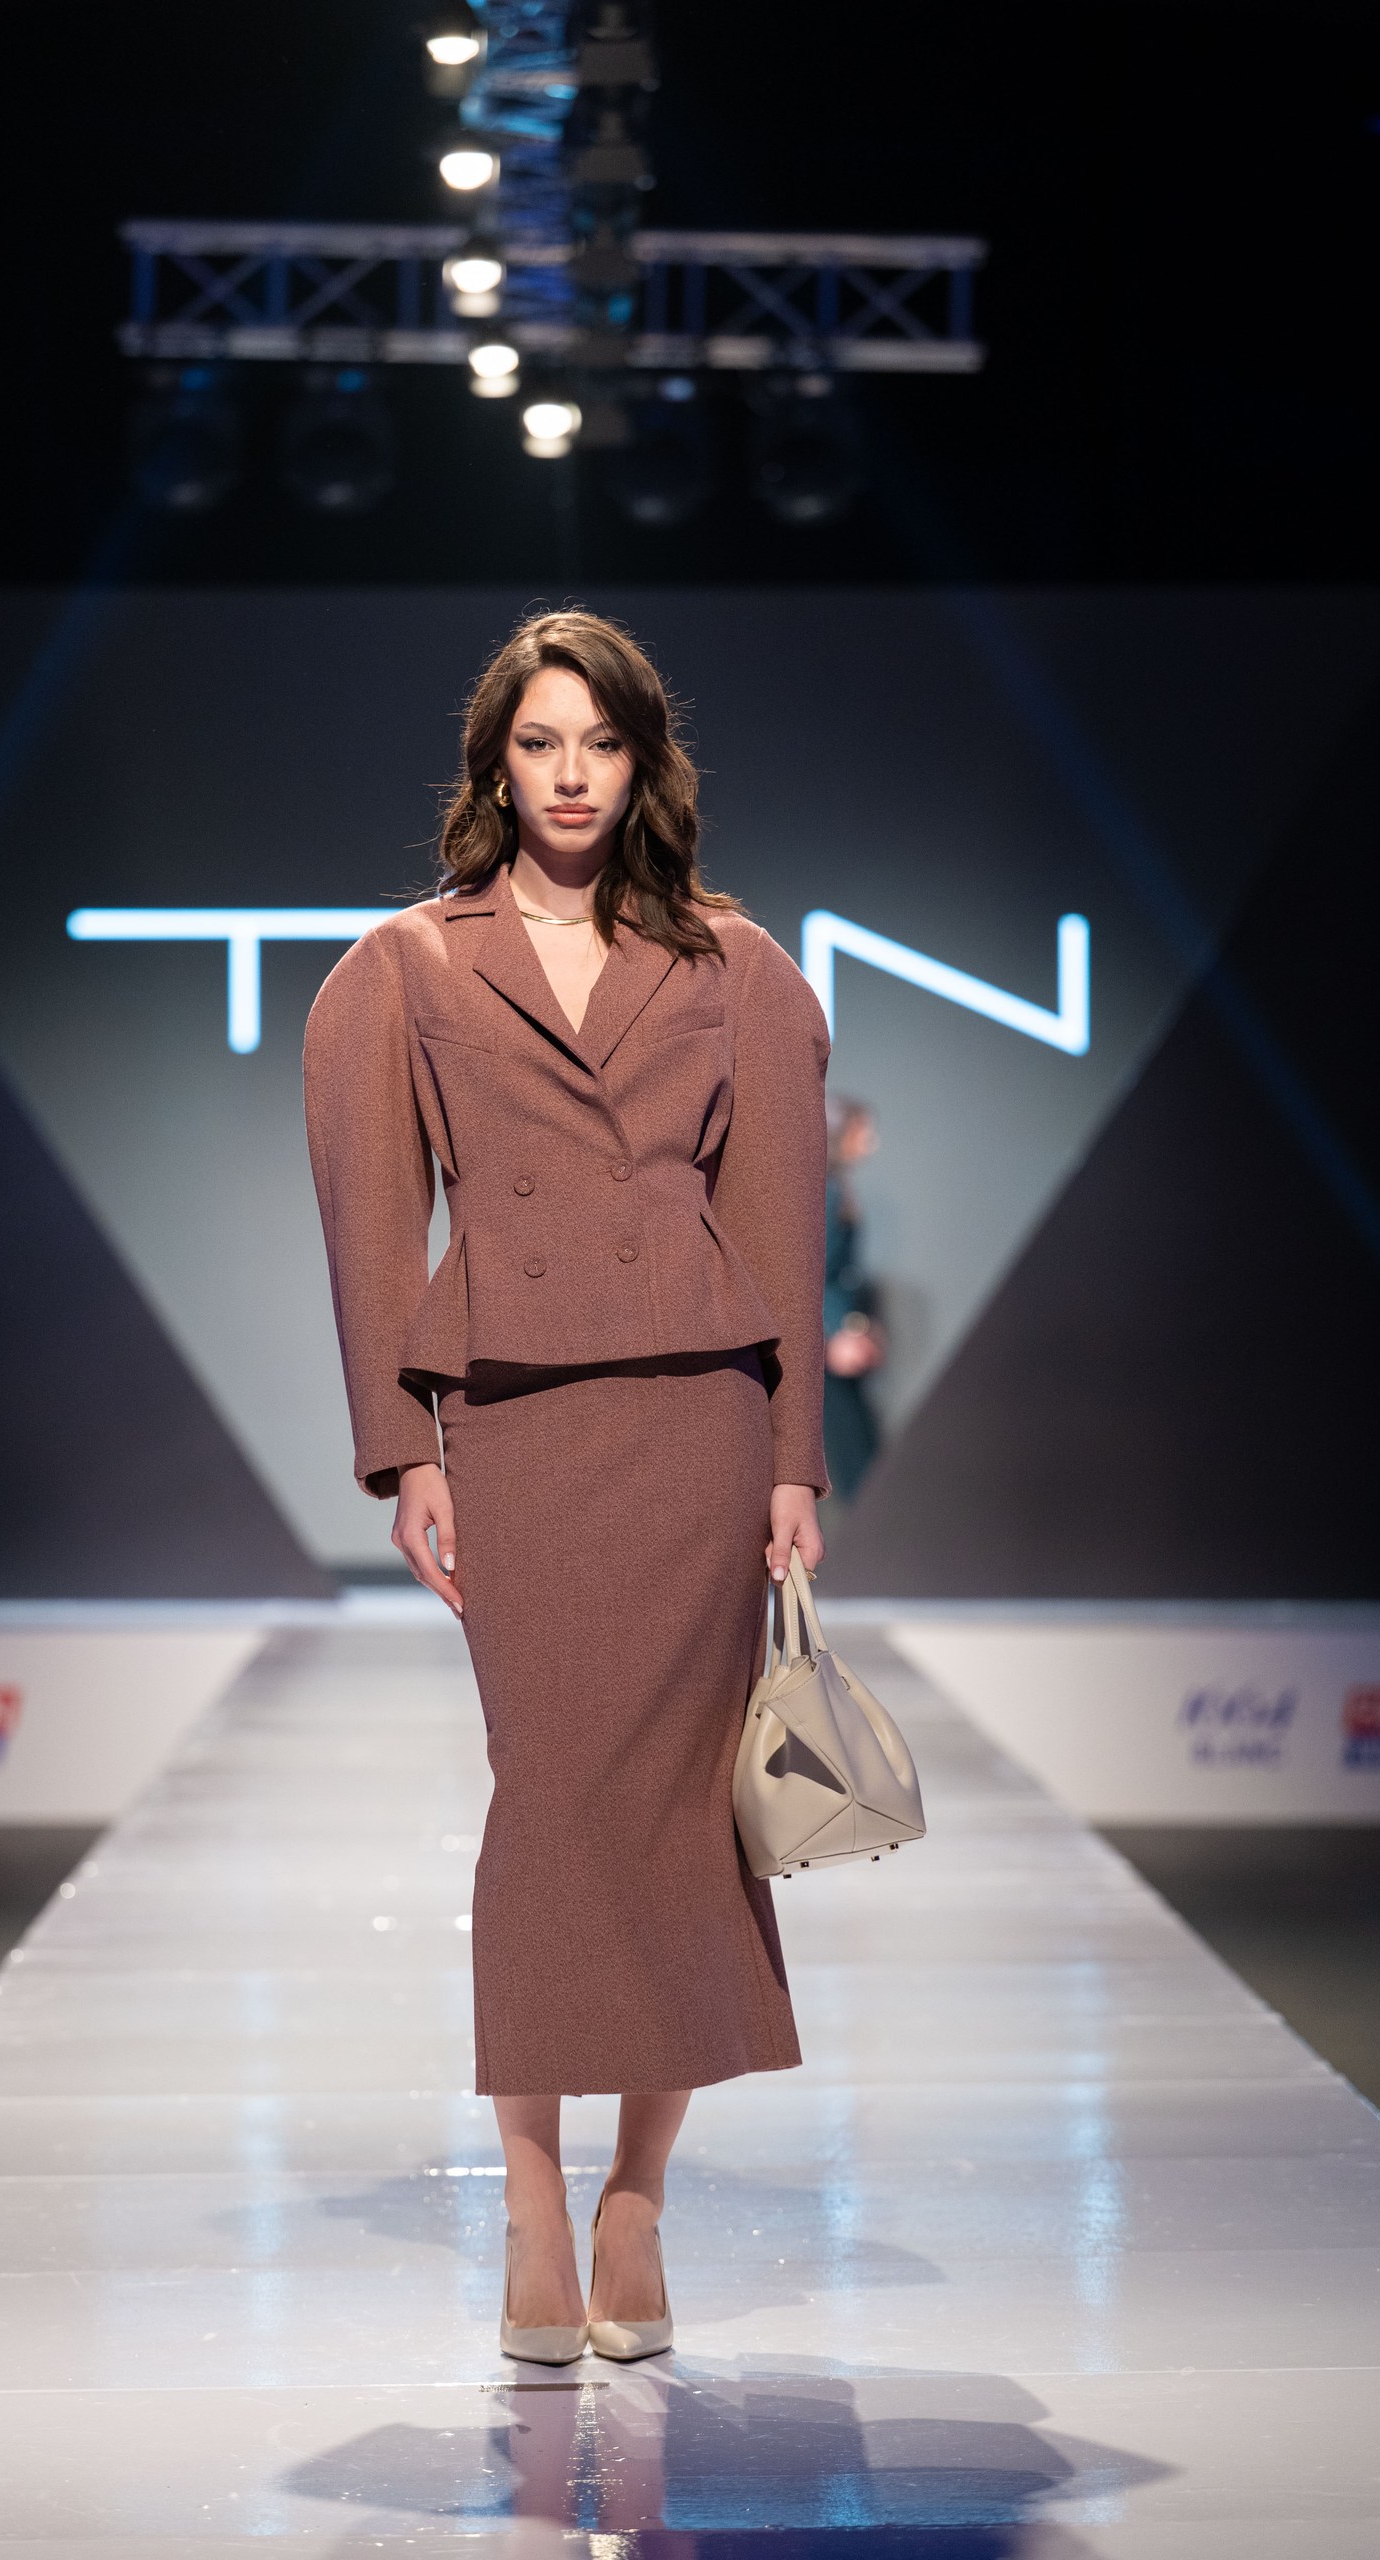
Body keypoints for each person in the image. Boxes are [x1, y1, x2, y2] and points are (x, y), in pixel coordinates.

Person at [303, 609, 829, 2366]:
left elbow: (779, 1230)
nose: (571, 774)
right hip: (518, 1424)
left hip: (696, 1422)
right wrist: (402, 1448)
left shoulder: (734, 965)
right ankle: (532, 2197)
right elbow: (371, 1226)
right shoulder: (408, 966)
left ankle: (638, 2200)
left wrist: (791, 1461)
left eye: (599, 741)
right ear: (495, 766)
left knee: (682, 1814)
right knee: (546, 1800)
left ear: (641, 760)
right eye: (538, 742)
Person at [822, 1095, 886, 1502]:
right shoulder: (825, 1193)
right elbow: (813, 1276)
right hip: (827, 1352)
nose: (871, 1141)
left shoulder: (837, 1191)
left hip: (840, 1341)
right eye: (864, 1131)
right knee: (855, 1463)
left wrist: (858, 1328)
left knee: (863, 1458)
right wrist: (831, 1338)